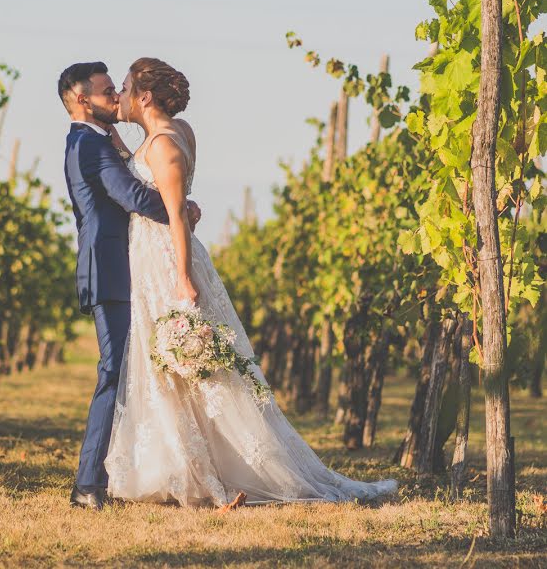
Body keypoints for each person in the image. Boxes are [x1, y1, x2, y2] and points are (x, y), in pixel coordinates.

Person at [104, 57, 397, 507]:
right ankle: (179, 461)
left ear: (144, 96)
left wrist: (181, 277)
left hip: (165, 259)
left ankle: (207, 469)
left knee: (185, 365)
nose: (119, 96)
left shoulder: (163, 145)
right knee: (169, 364)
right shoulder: (176, 134)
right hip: (154, 256)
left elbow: (178, 214)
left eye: (124, 88)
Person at [58, 61, 202, 510]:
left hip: (127, 269)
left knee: (127, 373)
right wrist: (182, 209)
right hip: (111, 271)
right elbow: (134, 197)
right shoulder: (86, 144)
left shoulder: (101, 141)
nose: (115, 98)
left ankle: (108, 477)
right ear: (83, 100)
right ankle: (87, 485)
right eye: (106, 92)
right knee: (115, 372)